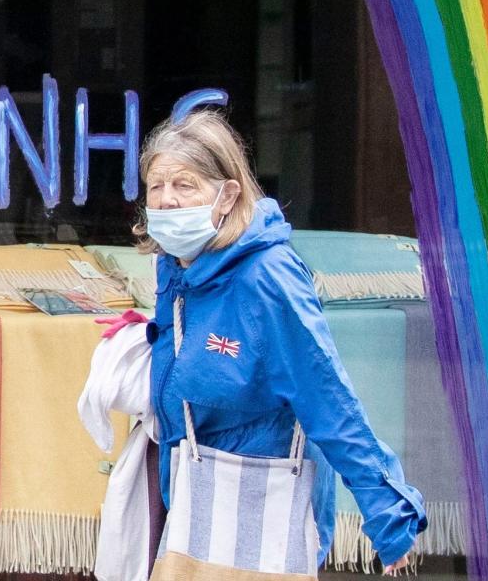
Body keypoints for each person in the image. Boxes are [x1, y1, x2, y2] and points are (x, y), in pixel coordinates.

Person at [133, 110, 426, 574]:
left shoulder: (268, 277)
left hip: (260, 506)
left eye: (184, 185)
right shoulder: (178, 266)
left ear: (228, 193)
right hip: (193, 506)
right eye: (156, 186)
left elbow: (327, 396)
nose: (166, 201)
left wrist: (387, 513)